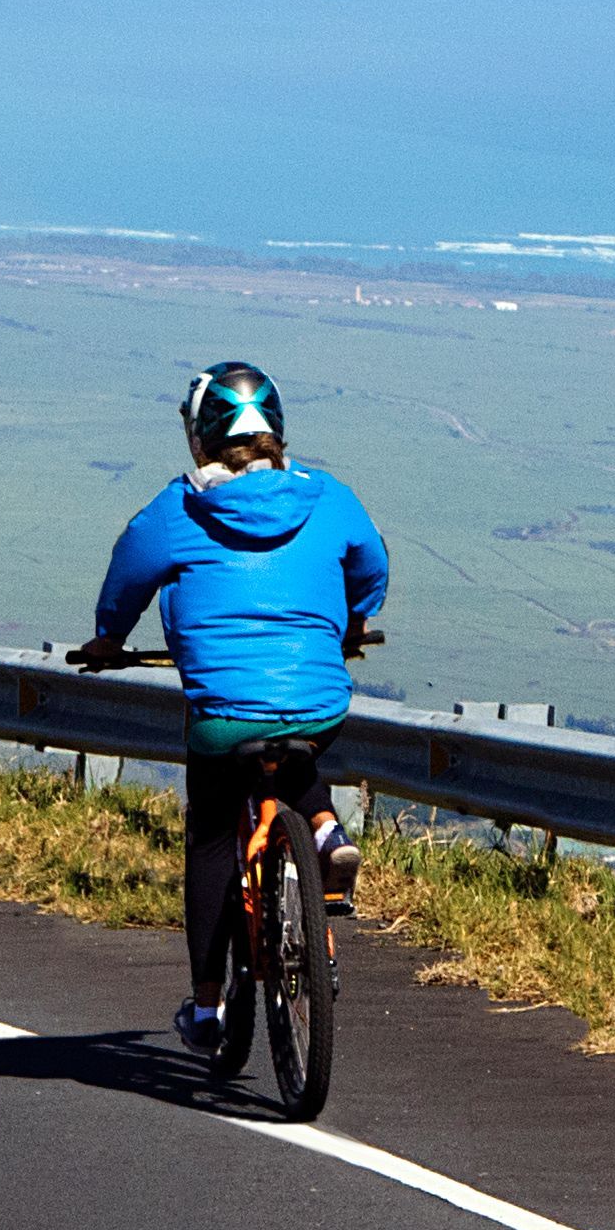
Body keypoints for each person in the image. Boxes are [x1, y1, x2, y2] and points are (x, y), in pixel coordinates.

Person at [72, 361, 393, 1060]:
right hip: (318, 699)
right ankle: (326, 827)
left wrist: (109, 638)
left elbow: (128, 572)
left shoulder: (179, 508)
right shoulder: (327, 495)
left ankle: (211, 1005)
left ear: (200, 438)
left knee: (213, 831)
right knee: (298, 744)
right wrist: (356, 619)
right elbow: (371, 565)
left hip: (222, 714)